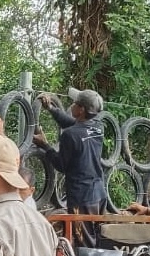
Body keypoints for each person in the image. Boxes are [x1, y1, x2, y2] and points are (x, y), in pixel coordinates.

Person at [32, 88, 106, 246]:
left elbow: (61, 165)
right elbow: (72, 123)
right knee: (96, 237)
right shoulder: (98, 128)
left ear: (81, 110)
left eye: (75, 103)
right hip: (98, 194)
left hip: (81, 197)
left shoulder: (70, 135)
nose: (72, 105)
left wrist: (45, 145)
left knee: (83, 241)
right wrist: (52, 109)